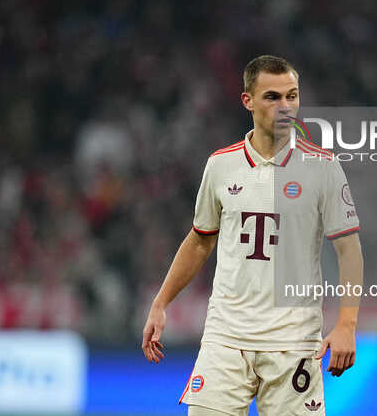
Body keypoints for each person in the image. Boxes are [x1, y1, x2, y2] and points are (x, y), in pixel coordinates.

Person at [141, 55, 363, 416]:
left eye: (292, 96)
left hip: (293, 341)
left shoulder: (323, 167)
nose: (285, 106)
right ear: (248, 101)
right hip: (226, 337)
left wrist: (347, 325)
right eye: (272, 97)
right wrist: (160, 302)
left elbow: (349, 250)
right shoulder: (221, 164)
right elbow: (199, 240)